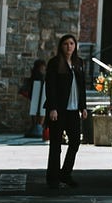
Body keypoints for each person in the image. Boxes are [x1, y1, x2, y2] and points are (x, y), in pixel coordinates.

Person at [43, 34, 88, 189]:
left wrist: (83, 107)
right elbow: (51, 87)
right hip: (59, 110)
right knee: (56, 145)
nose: (69, 47)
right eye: (65, 44)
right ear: (61, 46)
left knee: (75, 142)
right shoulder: (55, 63)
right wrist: (52, 108)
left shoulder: (79, 63)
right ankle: (53, 178)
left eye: (71, 43)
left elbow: (82, 86)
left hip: (73, 110)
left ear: (75, 46)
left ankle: (65, 174)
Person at [19, 59, 46, 138]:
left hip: (41, 95)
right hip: (35, 95)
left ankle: (39, 126)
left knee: (41, 110)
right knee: (35, 110)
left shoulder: (42, 75)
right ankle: (36, 125)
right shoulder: (35, 76)